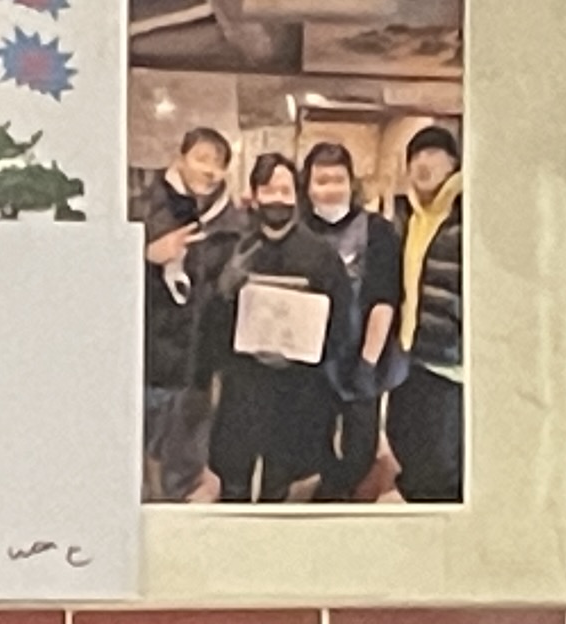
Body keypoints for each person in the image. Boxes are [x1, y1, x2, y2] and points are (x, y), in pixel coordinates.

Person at [203, 152, 352, 504]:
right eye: (268, 190)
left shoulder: (320, 255)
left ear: (297, 195)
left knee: (280, 481)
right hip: (243, 384)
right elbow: (208, 327)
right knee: (233, 480)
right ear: (254, 195)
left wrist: (308, 350)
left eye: (285, 190)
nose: (277, 199)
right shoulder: (234, 248)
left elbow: (342, 322)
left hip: (296, 387)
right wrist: (223, 290)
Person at [135, 126, 243, 502]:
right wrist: (145, 256)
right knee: (139, 452)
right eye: (201, 159)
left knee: (185, 461)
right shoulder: (143, 208)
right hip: (147, 352)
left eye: (218, 163)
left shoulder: (231, 222)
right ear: (180, 158)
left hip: (199, 360)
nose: (209, 171)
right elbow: (106, 273)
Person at [298, 140, 402, 501]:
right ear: (308, 186)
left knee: (361, 443)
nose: (330, 189)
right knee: (312, 439)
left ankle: (345, 493)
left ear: (351, 182)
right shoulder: (299, 230)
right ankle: (327, 492)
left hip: (363, 350)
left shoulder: (378, 230)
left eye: (338, 179)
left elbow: (385, 298)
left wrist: (368, 362)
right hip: (312, 358)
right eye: (321, 180)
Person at [389, 122, 464, 503]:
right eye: (416, 155)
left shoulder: (467, 215)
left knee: (441, 461)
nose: (423, 163)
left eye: (434, 153)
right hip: (410, 355)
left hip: (449, 362)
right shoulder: (409, 218)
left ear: (453, 162)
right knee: (406, 443)